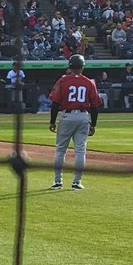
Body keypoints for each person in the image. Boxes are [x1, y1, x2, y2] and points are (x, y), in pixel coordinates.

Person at [48, 54, 101, 190]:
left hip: (67, 116)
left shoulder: (63, 80)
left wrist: (52, 121)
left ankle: (57, 182)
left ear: (70, 67)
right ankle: (76, 183)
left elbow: (55, 103)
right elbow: (94, 106)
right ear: (82, 67)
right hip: (83, 116)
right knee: (80, 151)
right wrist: (93, 124)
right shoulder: (89, 82)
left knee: (60, 150)